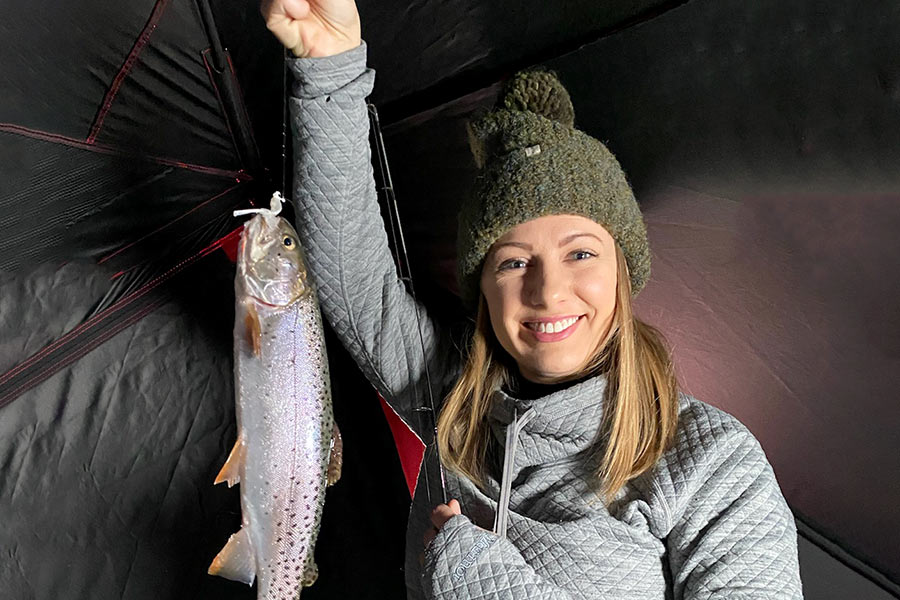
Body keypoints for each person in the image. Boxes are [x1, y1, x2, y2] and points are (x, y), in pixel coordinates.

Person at [261, 0, 804, 598]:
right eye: (513, 262)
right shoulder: (452, 398)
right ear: (484, 289)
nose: (547, 292)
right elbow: (348, 271)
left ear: (623, 273)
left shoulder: (714, 466)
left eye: (580, 254)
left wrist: (477, 579)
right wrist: (328, 62)